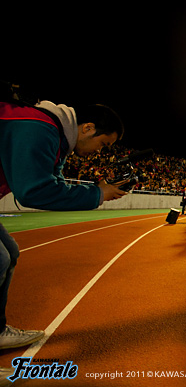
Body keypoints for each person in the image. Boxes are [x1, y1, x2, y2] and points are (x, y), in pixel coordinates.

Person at [0, 98, 126, 380]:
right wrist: (97, 195)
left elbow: (53, 181)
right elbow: (34, 190)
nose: (98, 153)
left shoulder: (54, 134)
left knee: (9, 252)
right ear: (88, 128)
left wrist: (99, 191)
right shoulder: (40, 127)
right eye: (103, 145)